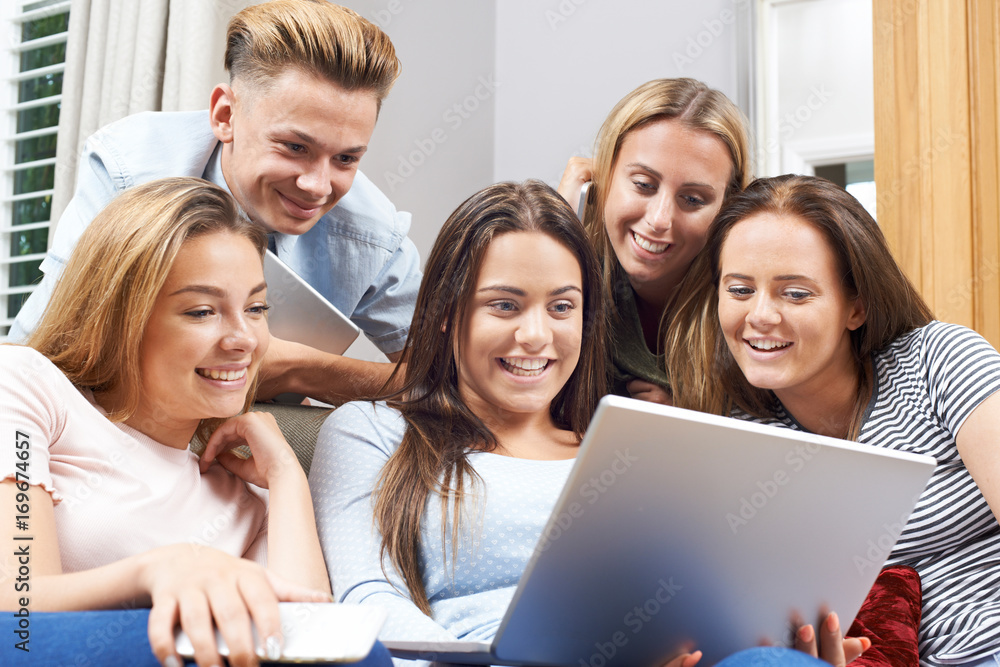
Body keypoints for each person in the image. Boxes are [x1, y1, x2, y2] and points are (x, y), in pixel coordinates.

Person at [308, 180, 863, 667]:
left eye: (561, 307)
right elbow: (369, 599)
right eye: (504, 305)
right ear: (448, 312)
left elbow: (691, 607)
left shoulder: (630, 446)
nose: (536, 336)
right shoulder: (373, 432)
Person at [0, 178, 389, 667]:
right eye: (203, 311)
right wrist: (158, 571)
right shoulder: (26, 386)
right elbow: (14, 610)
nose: (244, 339)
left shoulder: (247, 499)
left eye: (256, 308)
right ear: (122, 318)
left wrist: (287, 478)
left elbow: (306, 644)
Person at [9, 0, 421, 405]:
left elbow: (456, 388)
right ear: (225, 116)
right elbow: (40, 355)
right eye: (295, 147)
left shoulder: (373, 234)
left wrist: (303, 369)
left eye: (346, 158)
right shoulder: (129, 170)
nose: (316, 186)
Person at [665, 174, 1000, 666]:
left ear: (856, 307)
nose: (759, 315)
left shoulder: (938, 360)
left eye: (795, 294)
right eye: (739, 290)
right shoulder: (734, 438)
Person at [557, 78, 753, 403]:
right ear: (602, 177)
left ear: (727, 209)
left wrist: (683, 420)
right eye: (644, 185)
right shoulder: (576, 271)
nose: (660, 220)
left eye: (692, 199)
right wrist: (556, 231)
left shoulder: (745, 304)